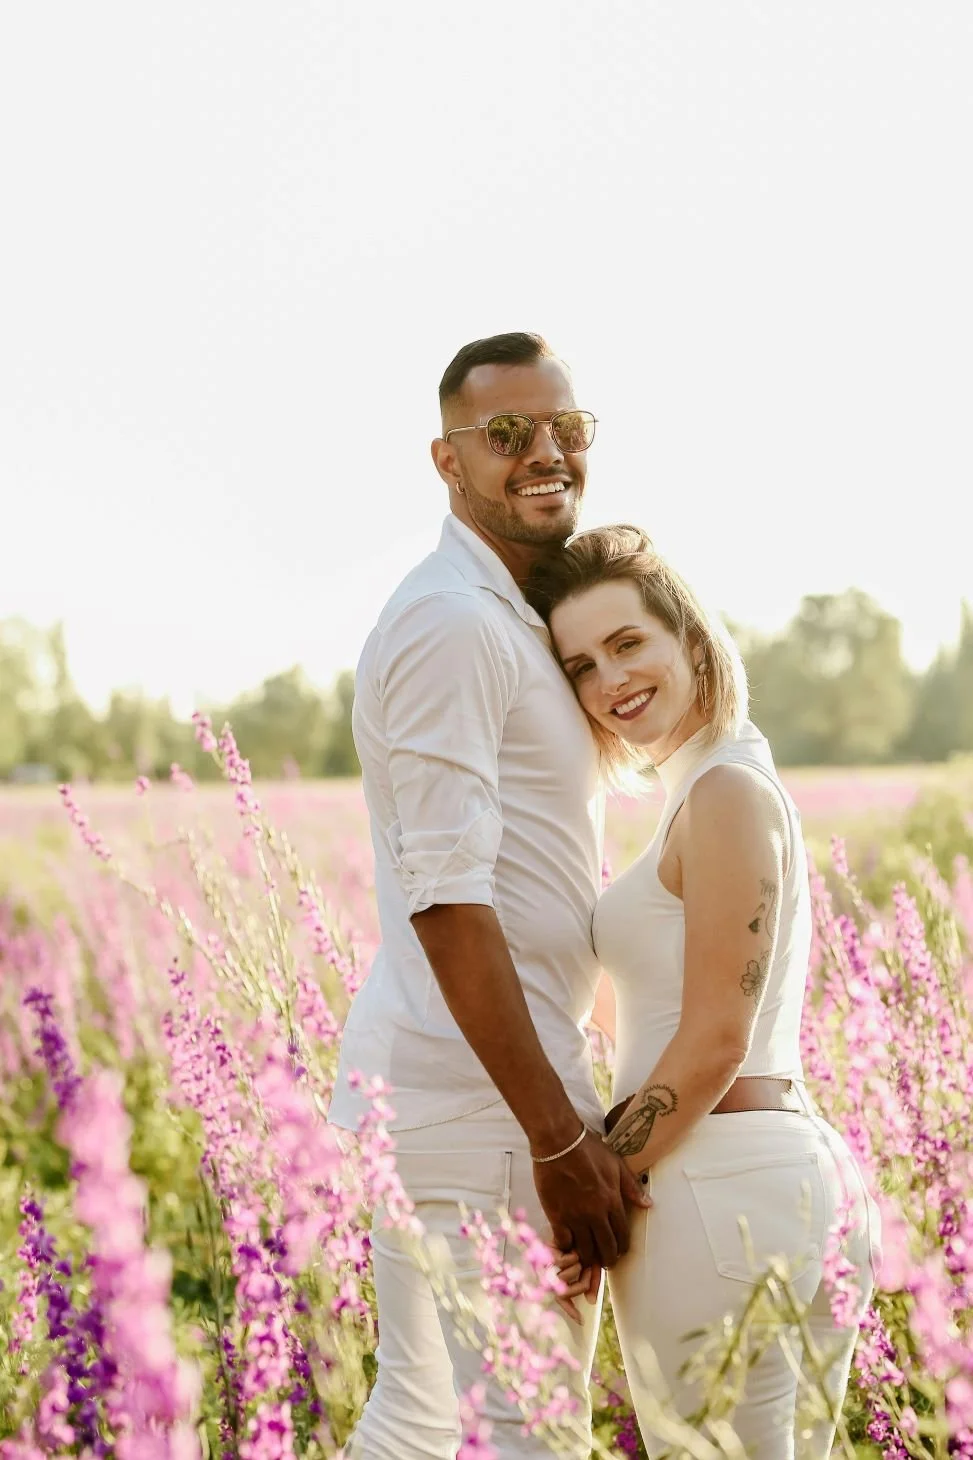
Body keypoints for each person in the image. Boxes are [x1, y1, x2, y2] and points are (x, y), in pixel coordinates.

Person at [328, 334, 650, 1460]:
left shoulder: (506, 612)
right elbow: (446, 897)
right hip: (485, 1113)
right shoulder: (454, 621)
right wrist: (559, 1136)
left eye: (566, 427)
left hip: (456, 1094)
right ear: (446, 459)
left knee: (415, 1427)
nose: (543, 452)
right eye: (506, 434)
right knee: (527, 1434)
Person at [526, 525, 882, 1459]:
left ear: (689, 636)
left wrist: (600, 1172)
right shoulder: (715, 786)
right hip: (780, 1175)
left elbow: (718, 1034)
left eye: (627, 642)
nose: (608, 680)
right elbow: (659, 1007)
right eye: (580, 665)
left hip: (714, 1181)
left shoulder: (723, 792)